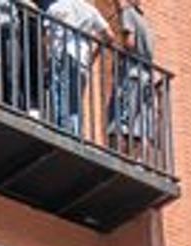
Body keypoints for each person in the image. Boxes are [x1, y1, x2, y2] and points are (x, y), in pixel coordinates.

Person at [42, 0, 111, 137]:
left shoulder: (56, 7)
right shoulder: (90, 10)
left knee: (59, 97)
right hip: (80, 57)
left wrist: (45, 62)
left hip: (59, 55)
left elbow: (46, 38)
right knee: (74, 100)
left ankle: (61, 131)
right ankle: (76, 134)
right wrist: (93, 56)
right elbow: (109, 36)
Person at [107, 0, 158, 160]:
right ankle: (137, 161)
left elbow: (130, 43)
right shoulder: (146, 23)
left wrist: (118, 50)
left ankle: (118, 159)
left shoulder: (128, 13)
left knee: (120, 121)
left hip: (132, 73)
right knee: (138, 127)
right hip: (146, 77)